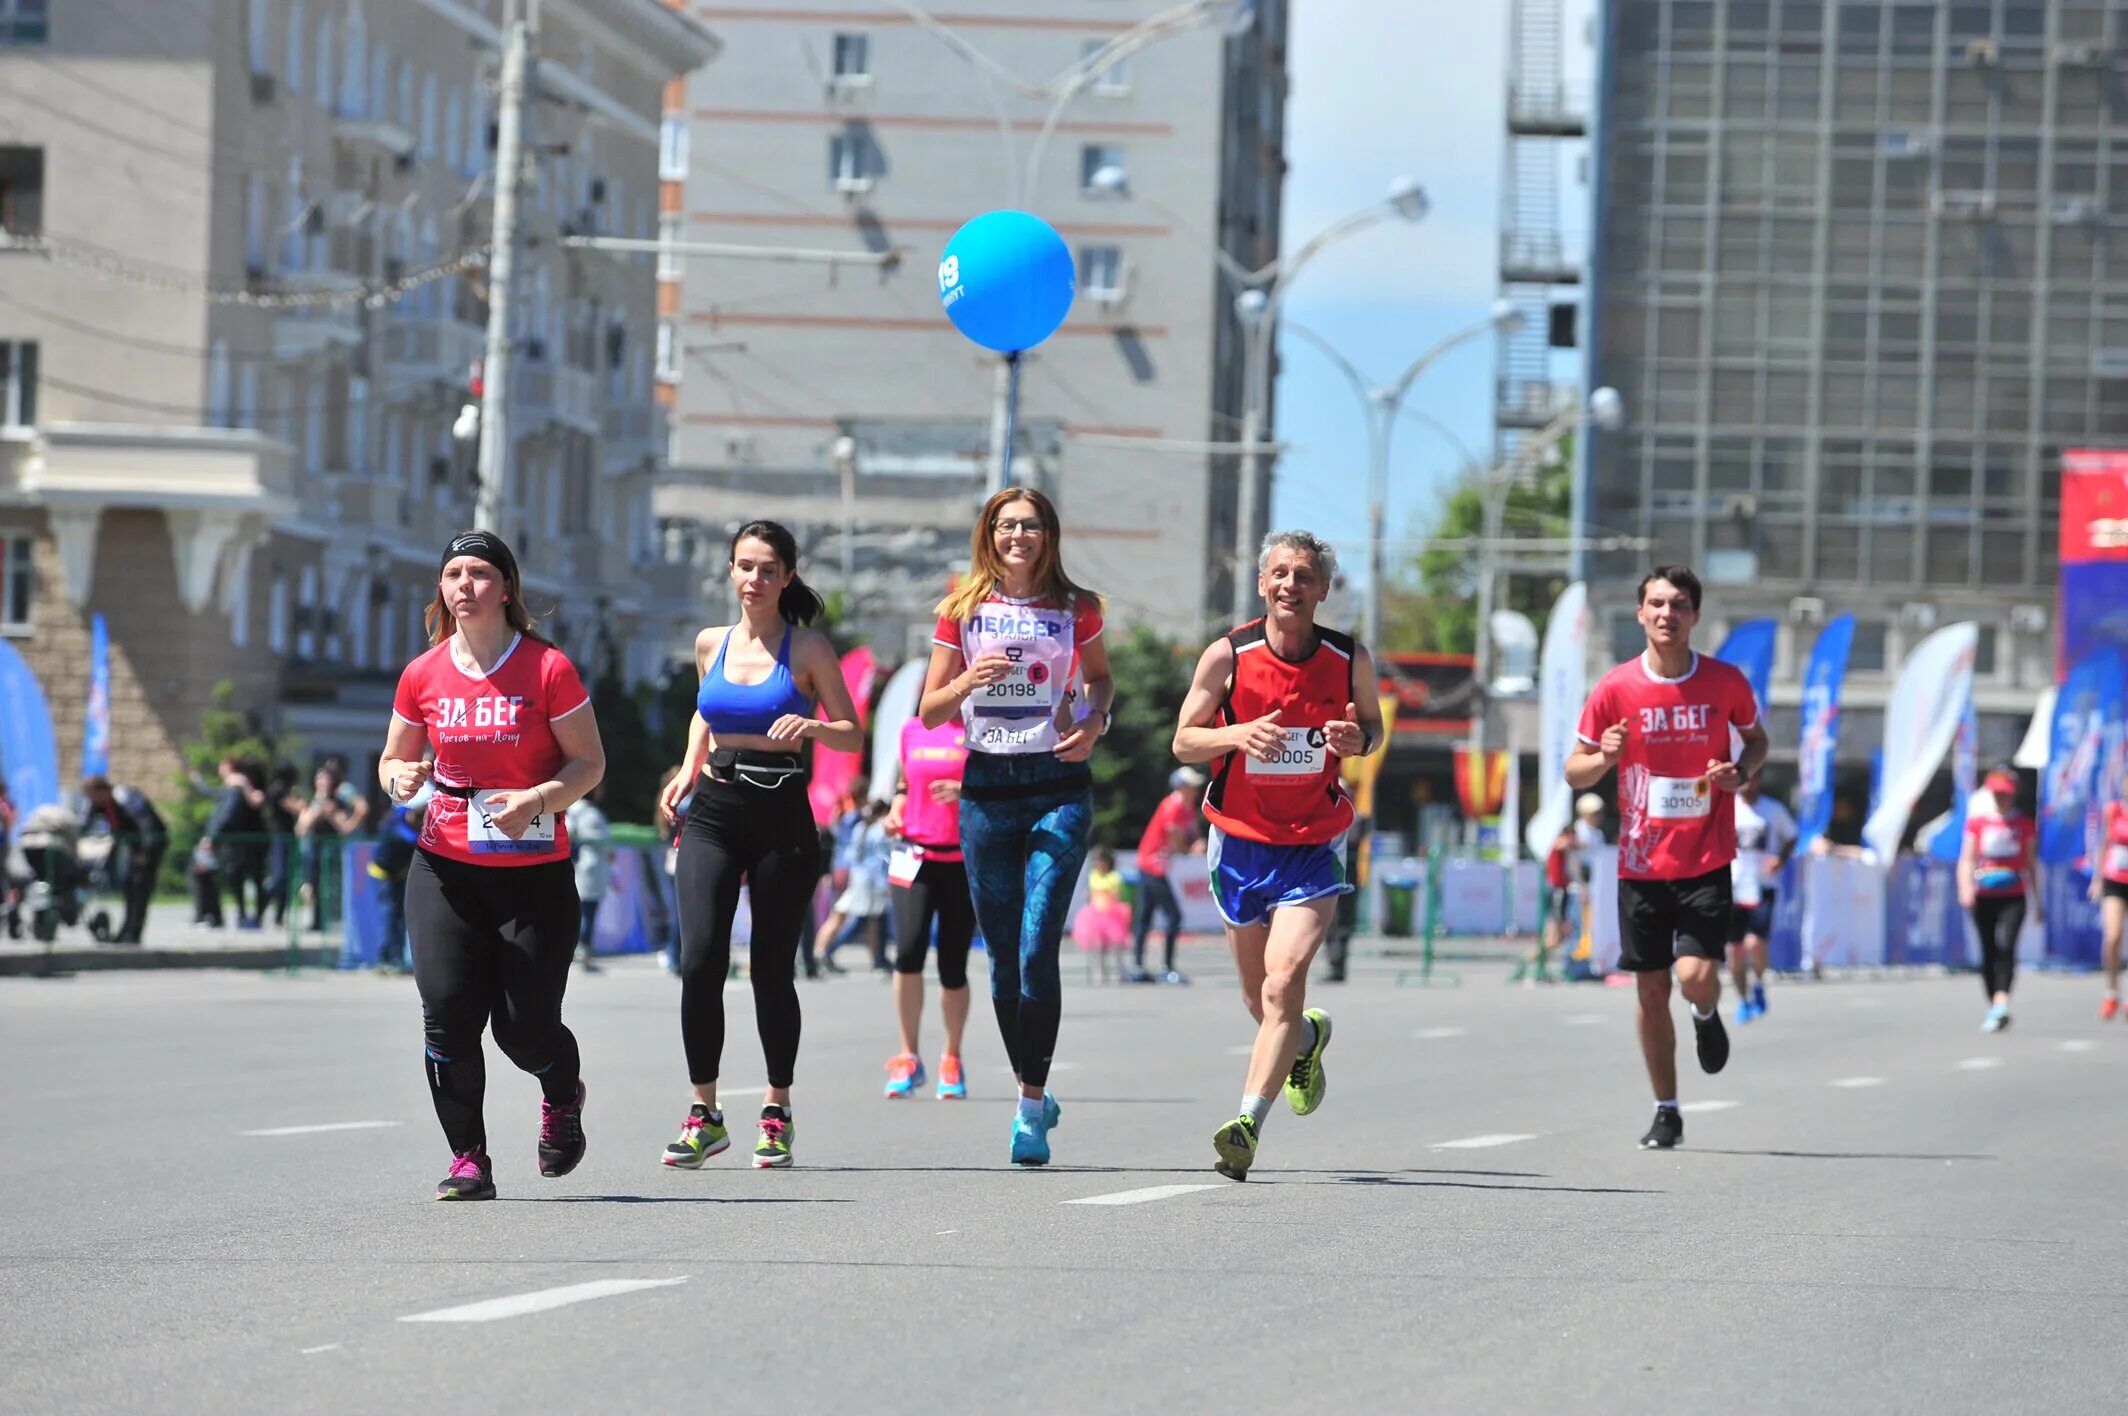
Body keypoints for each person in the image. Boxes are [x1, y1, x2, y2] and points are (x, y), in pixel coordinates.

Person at [378, 529, 607, 1202]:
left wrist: (538, 797)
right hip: (445, 867)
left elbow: (589, 763)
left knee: (522, 1027)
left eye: (478, 573)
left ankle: (562, 1095)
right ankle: (468, 1159)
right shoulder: (424, 673)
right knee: (446, 1012)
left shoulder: (546, 669)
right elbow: (394, 759)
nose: (464, 586)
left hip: (532, 872)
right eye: (453, 575)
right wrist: (400, 779)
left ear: (506, 587)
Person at [1173, 530, 1383, 1181]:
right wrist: (1238, 733)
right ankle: (1309, 1040)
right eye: (1280, 574)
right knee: (1261, 1001)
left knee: (1283, 980)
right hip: (1238, 841)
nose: (1291, 584)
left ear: (1322, 590)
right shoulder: (1228, 655)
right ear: (1263, 584)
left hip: (1314, 843)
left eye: (1304, 575)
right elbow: (1184, 741)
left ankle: (1245, 1126)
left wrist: (1358, 738)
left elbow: (1371, 730)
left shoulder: (1348, 658)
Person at [657, 520, 863, 1172]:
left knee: (772, 971)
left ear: (787, 577)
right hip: (715, 811)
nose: (755, 579)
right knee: (700, 961)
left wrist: (816, 726)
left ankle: (776, 1109)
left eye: (768, 569)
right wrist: (688, 768)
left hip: (782, 815)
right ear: (730, 571)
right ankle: (704, 1113)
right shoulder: (709, 643)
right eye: (745, 566)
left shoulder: (807, 649)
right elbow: (704, 709)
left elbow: (853, 732)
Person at [919, 485, 1113, 1167]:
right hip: (986, 790)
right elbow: (931, 711)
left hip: (1058, 785)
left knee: (1037, 949)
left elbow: (1101, 682)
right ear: (989, 535)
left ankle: (1030, 1106)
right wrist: (972, 678)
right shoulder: (962, 610)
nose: (1018, 538)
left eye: (1031, 527)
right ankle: (1036, 1080)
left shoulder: (1076, 607)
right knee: (1002, 963)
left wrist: (1094, 723)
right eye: (1006, 527)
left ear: (1049, 536)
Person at [1564, 565, 1767, 1151]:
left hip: (1705, 856)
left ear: (1695, 616)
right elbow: (1573, 772)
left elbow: (1756, 742)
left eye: (1678, 604)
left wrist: (1739, 772)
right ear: (1640, 613)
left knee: (1694, 976)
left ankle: (1706, 1014)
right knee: (1651, 992)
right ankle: (1667, 1109)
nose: (1666, 614)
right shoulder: (1615, 688)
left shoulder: (1725, 682)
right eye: (1656, 603)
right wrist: (1603, 757)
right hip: (1641, 865)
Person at [882, 712, 975, 1098]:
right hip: (914, 857)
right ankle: (908, 1056)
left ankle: (951, 1058)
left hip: (963, 859)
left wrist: (965, 790)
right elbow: (905, 783)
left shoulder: (980, 725)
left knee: (952, 964)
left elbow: (999, 785)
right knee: (907, 952)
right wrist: (896, 808)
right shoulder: (912, 728)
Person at [1958, 767, 2041, 1034]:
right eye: (1996, 795)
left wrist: (2038, 901)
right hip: (1985, 895)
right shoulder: (1978, 823)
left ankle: (2002, 1001)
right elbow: (1967, 858)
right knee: (1988, 950)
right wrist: (1966, 888)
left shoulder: (2024, 824)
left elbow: (2031, 864)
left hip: (2014, 894)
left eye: (2004, 795)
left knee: (2006, 945)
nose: (2000, 800)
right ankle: (1994, 1003)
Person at [1729, 772, 1797, 1023]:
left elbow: (1791, 836)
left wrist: (1779, 859)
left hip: (1762, 885)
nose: (1747, 784)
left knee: (1755, 943)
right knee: (1734, 950)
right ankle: (1742, 1000)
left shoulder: (1773, 810)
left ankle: (1758, 983)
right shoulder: (1728, 806)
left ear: (1758, 780)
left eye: (1752, 778)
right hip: (1733, 885)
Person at [1129, 768, 1202, 984]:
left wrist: (1194, 843)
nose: (1195, 790)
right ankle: (1166, 968)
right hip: (1152, 865)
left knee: (1146, 916)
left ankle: (1138, 967)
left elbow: (1190, 834)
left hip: (1154, 865)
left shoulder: (1185, 808)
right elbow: (1176, 841)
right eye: (1191, 786)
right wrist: (1191, 849)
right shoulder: (1173, 805)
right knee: (1172, 915)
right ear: (1180, 786)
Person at [80, 776, 168, 945]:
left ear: (103, 791)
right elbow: (87, 823)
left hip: (151, 844)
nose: (91, 801)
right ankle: (125, 932)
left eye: (93, 796)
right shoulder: (101, 804)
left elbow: (146, 825)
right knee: (129, 885)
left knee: (140, 887)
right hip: (133, 845)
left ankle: (133, 934)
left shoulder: (126, 799)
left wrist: (145, 853)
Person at [295, 757, 369, 933]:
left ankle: (333, 920)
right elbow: (301, 826)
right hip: (312, 848)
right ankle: (316, 919)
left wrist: (334, 815)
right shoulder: (312, 799)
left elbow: (356, 813)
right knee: (312, 885)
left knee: (333, 886)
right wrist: (317, 810)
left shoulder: (342, 795)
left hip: (333, 849)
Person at [822, 800, 893, 975]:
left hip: (859, 879)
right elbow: (881, 860)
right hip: (872, 883)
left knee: (878, 919)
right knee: (861, 922)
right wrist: (886, 881)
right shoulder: (879, 831)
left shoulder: (860, 828)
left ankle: (879, 957)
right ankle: (829, 950)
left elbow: (853, 855)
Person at [367, 782, 427, 974]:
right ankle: (386, 958)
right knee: (389, 916)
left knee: (400, 917)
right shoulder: (397, 824)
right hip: (384, 875)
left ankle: (397, 957)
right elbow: (410, 837)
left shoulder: (406, 818)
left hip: (400, 874)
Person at [209, 757, 270, 928]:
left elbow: (257, 801)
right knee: (236, 876)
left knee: (257, 878)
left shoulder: (252, 788)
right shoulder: (233, 790)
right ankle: (242, 913)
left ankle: (257, 916)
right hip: (239, 842)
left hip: (256, 840)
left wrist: (245, 785)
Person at [2091, 771, 2128, 1019]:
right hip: (2115, 879)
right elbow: (2104, 844)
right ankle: (2111, 991)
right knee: (2113, 935)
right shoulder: (2113, 810)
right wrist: (2097, 879)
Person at [566, 784, 612, 974]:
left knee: (589, 911)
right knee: (585, 912)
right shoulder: (577, 810)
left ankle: (585, 951)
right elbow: (569, 834)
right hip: (586, 866)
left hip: (594, 867)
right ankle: (582, 950)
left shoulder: (586, 811)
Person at [1074, 846, 1133, 983]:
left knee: (1116, 945)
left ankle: (1121, 971)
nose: (1099, 864)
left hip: (1111, 913)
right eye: (1096, 861)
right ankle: (1099, 971)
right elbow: (1090, 893)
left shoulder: (1114, 877)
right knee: (1097, 946)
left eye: (1101, 861)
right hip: (1095, 914)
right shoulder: (1093, 876)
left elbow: (1117, 895)